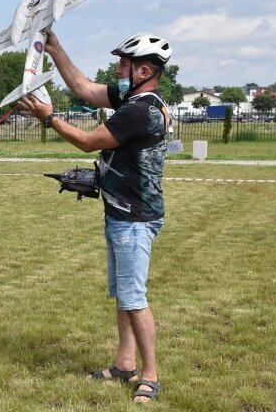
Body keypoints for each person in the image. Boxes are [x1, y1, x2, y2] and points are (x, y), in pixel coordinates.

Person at [18, 28, 172, 404]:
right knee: (123, 295)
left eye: (126, 64)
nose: (119, 69)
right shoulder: (132, 96)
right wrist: (54, 49)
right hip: (121, 211)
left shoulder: (140, 111)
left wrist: (48, 118)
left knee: (134, 298)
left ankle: (150, 375)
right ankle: (124, 363)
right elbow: (84, 88)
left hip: (134, 217)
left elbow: (88, 140)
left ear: (144, 70)